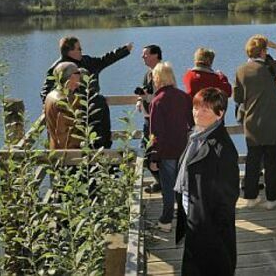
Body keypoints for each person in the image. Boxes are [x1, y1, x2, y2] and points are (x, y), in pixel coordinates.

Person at [175, 88, 239, 275]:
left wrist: (211, 229)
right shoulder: (195, 136)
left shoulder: (223, 148)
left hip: (210, 228)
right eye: (196, 108)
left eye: (205, 110)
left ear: (220, 114)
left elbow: (229, 197)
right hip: (194, 219)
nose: (197, 113)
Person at [233, 35, 276, 210]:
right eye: (266, 49)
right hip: (272, 124)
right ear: (263, 51)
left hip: (252, 123)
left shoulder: (240, 70)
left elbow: (238, 98)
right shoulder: (270, 67)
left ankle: (251, 198)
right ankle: (272, 199)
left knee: (252, 162)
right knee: (271, 162)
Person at [40, 36, 132, 149]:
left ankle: (103, 151)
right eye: (79, 49)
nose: (81, 51)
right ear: (69, 51)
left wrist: (123, 51)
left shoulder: (86, 60)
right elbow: (46, 93)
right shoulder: (57, 68)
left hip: (93, 106)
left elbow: (104, 60)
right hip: (74, 113)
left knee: (101, 133)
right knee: (81, 140)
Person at [148, 62, 194, 232]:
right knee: (183, 186)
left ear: (157, 79)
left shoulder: (157, 101)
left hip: (166, 151)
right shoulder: (183, 96)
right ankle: (187, 218)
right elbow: (192, 122)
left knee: (168, 188)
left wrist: (154, 157)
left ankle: (166, 221)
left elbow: (156, 133)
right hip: (183, 148)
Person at [135, 44, 163, 192]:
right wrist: (141, 99)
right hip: (148, 119)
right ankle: (161, 181)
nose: (142, 57)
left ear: (155, 55)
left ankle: (163, 182)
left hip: (157, 120)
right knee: (146, 153)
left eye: (145, 54)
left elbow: (162, 96)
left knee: (148, 153)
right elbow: (146, 91)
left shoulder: (162, 73)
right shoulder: (148, 73)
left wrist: (147, 96)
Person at [43, 62, 83, 150]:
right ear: (72, 76)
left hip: (54, 148)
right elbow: (64, 134)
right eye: (78, 73)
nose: (80, 75)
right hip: (67, 155)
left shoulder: (50, 96)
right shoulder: (64, 101)